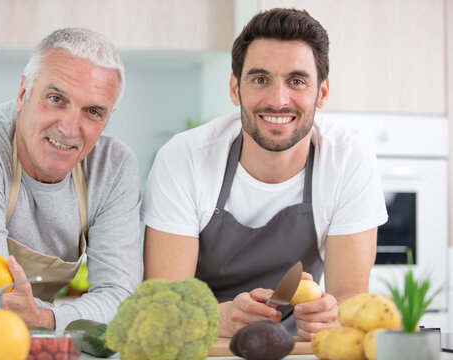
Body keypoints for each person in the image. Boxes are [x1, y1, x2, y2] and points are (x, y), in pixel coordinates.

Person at [141, 8, 387, 340]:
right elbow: (163, 305)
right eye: (260, 79)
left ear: (322, 92)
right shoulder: (184, 158)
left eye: (297, 81)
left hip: (297, 346)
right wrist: (221, 317)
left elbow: (350, 297)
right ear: (234, 88)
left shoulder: (348, 161)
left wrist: (331, 314)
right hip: (202, 341)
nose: (277, 100)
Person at [0, 28, 142, 341]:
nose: (70, 128)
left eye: (92, 112)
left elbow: (123, 301)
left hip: (21, 345)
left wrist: (46, 318)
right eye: (56, 99)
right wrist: (54, 319)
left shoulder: (112, 167)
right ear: (23, 93)